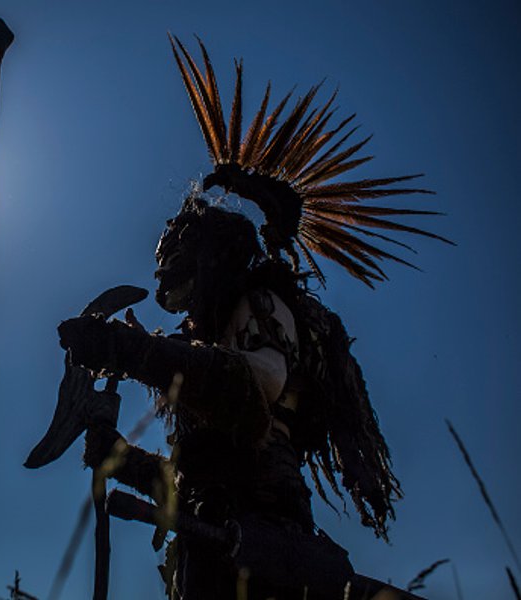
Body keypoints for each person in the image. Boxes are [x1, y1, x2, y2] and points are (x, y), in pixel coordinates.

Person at [55, 38, 449, 599]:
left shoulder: (258, 305)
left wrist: (131, 352)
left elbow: (257, 386)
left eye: (176, 257)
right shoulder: (218, 341)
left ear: (208, 253)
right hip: (217, 541)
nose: (166, 276)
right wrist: (124, 459)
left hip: (262, 538)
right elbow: (198, 484)